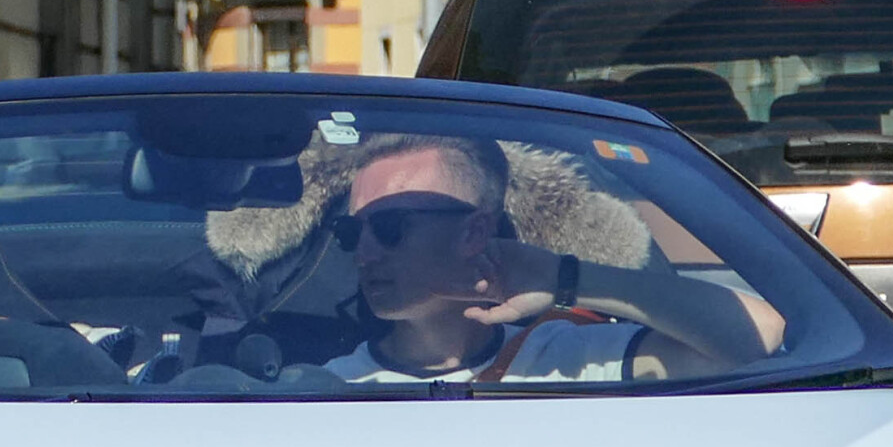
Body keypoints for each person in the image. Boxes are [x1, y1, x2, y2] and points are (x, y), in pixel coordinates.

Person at [325, 134, 770, 384]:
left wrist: (565, 278)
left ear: (476, 231)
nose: (363, 254)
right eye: (351, 231)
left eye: (390, 227)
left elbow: (762, 340)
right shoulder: (326, 389)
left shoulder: (567, 355)